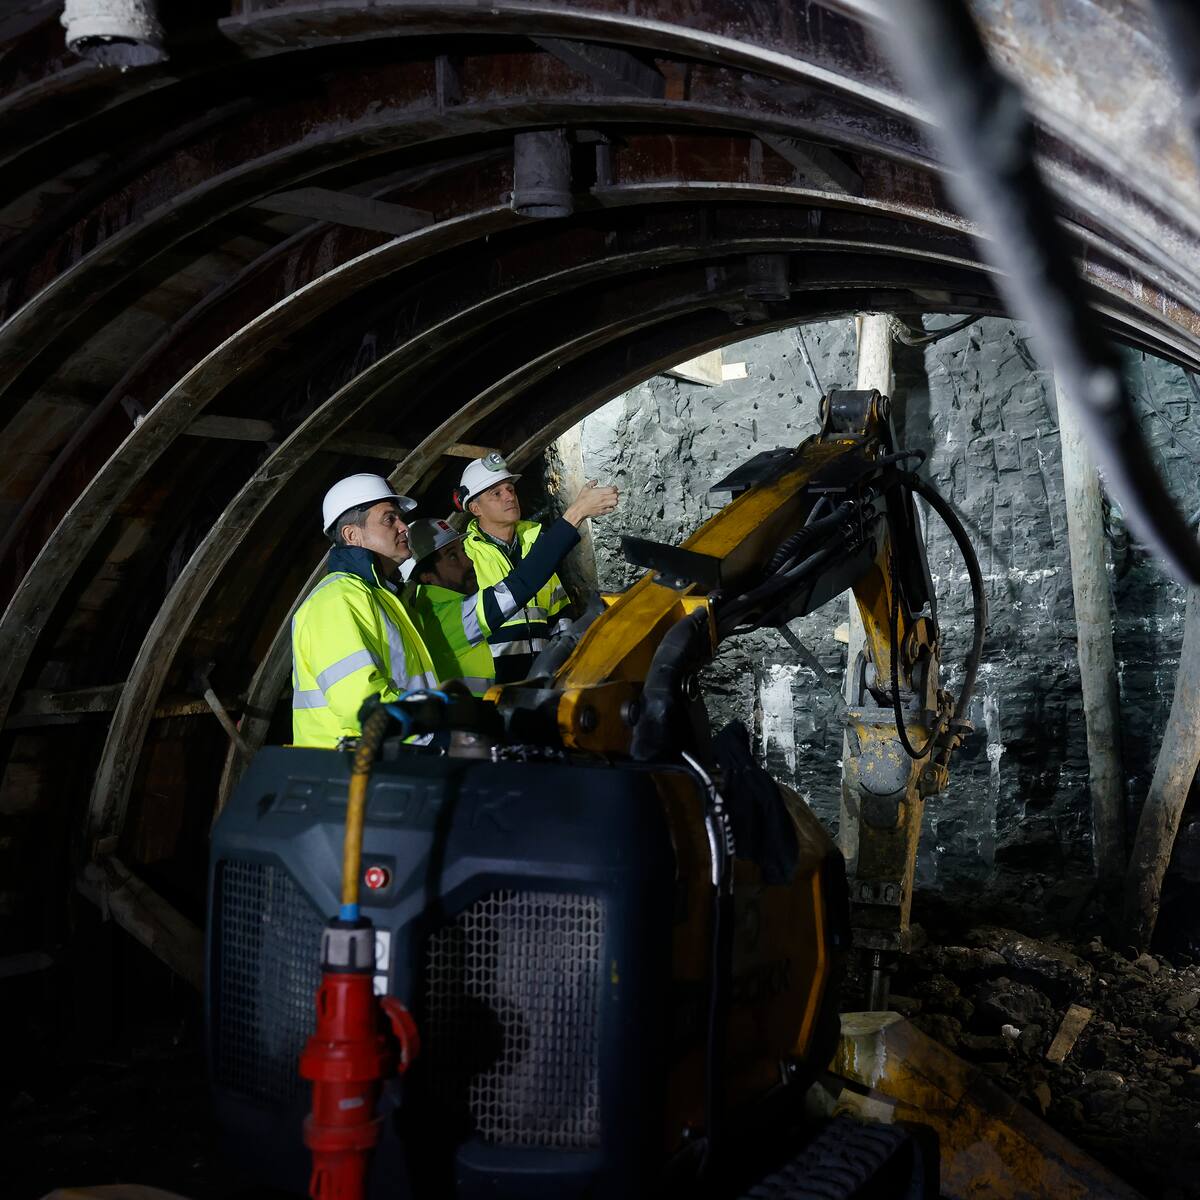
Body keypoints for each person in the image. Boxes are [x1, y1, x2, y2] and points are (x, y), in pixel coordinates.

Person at [408, 478, 618, 693]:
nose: (468, 560)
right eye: (453, 557)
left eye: (462, 551)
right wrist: (576, 512)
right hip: (484, 715)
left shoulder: (448, 607)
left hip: (510, 702)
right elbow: (520, 585)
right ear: (427, 577)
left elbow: (557, 614)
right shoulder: (441, 618)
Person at [291, 473, 437, 748]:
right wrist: (439, 722)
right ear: (351, 535)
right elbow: (360, 706)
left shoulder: (383, 596)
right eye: (389, 519)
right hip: (349, 775)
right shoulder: (336, 600)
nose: (404, 527)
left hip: (393, 760)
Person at [456, 452, 617, 683]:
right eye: (496, 493)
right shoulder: (466, 558)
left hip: (544, 679)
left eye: (510, 489)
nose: (509, 497)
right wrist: (577, 512)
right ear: (475, 508)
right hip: (496, 686)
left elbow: (560, 615)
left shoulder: (535, 542)